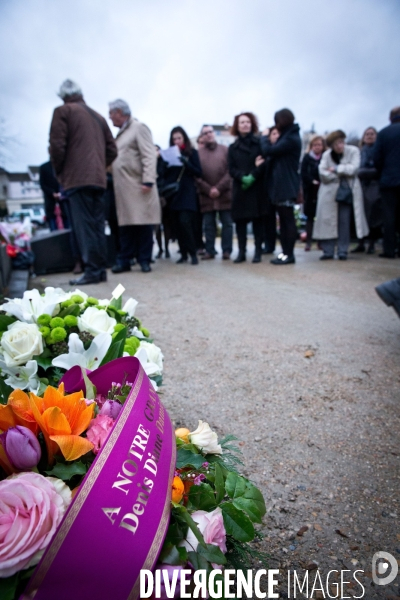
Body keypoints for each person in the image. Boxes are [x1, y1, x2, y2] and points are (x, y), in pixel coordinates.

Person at [49, 79, 117, 285]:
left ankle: (93, 271)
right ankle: (100, 270)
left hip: (77, 179)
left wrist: (60, 172)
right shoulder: (98, 117)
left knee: (84, 226)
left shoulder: (63, 112)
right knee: (96, 226)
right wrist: (98, 165)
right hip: (98, 179)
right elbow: (112, 150)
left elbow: (57, 146)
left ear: (63, 96)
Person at [108, 99, 160, 274]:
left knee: (143, 222)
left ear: (121, 112)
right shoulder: (121, 134)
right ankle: (125, 259)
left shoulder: (138, 128)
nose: (110, 117)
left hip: (138, 185)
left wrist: (148, 180)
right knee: (126, 225)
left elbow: (149, 155)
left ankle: (144, 259)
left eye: (112, 113)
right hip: (123, 188)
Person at [313, 130, 369, 260]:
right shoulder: (327, 155)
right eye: (336, 143)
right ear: (331, 145)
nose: (339, 146)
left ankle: (343, 250)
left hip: (347, 192)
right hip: (329, 193)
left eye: (341, 142)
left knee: (344, 221)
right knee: (327, 221)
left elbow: (354, 168)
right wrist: (342, 172)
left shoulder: (353, 151)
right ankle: (328, 251)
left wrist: (337, 169)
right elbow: (322, 172)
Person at [260, 108, 302, 265]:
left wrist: (264, 137)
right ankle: (285, 253)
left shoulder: (290, 138)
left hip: (285, 185)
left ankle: (288, 254)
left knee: (287, 221)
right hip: (282, 185)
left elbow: (269, 151)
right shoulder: (289, 136)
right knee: (284, 222)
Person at [228, 112, 266, 263]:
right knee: (240, 223)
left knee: (258, 222)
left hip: (257, 188)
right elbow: (231, 168)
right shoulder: (232, 148)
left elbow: (264, 163)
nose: (245, 125)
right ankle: (241, 252)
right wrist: (243, 177)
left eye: (248, 122)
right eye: (242, 122)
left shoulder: (260, 144)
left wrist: (253, 175)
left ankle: (258, 252)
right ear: (237, 126)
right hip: (240, 188)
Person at [163, 126, 202, 265]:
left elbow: (199, 172)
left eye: (179, 138)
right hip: (174, 194)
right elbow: (165, 175)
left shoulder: (192, 153)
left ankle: (193, 253)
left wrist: (186, 163)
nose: (177, 141)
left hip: (187, 192)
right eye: (174, 139)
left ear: (184, 138)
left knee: (186, 222)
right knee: (177, 225)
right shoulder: (168, 154)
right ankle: (183, 253)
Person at [196, 125, 233, 260]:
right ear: (202, 136)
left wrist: (219, 188)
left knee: (227, 224)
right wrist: (208, 189)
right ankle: (210, 250)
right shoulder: (198, 154)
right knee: (209, 225)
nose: (208, 134)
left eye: (210, 132)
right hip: (206, 196)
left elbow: (230, 172)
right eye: (205, 133)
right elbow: (196, 176)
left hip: (224, 194)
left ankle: (227, 250)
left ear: (214, 133)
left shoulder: (225, 150)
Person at [373, 106, 400, 258]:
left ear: (390, 118)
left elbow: (377, 158)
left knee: (389, 217)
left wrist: (383, 172)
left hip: (388, 181)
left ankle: (389, 250)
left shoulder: (383, 133)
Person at [352, 127, 382, 254]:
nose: (369, 136)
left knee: (373, 216)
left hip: (374, 187)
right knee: (361, 215)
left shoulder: (378, 151)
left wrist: (362, 172)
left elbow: (377, 169)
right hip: (361, 186)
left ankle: (371, 243)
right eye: (367, 134)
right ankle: (361, 243)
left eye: (372, 134)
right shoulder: (360, 152)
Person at [300, 135, 325, 251]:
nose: (317, 147)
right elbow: (303, 173)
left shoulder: (325, 158)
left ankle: (321, 241)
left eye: (319, 145)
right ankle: (309, 241)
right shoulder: (306, 158)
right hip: (310, 192)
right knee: (310, 217)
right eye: (315, 145)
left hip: (323, 190)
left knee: (321, 217)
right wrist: (311, 181)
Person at [261, 126, 280, 254]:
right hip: (267, 190)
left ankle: (285, 247)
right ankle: (269, 245)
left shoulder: (283, 150)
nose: (276, 136)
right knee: (268, 220)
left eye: (278, 133)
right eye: (273, 133)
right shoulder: (266, 153)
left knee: (284, 219)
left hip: (281, 190)